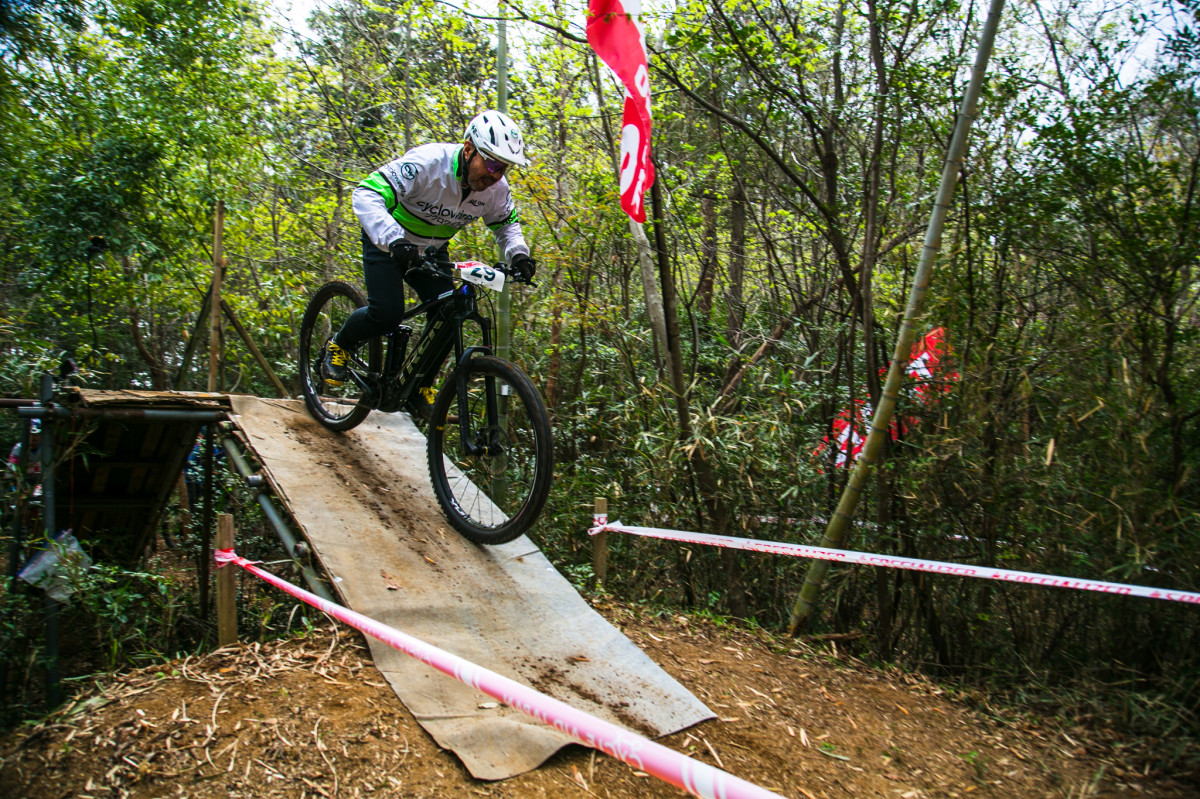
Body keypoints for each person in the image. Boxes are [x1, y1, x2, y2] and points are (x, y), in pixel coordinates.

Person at [322, 109, 539, 419]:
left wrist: (518, 255)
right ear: (468, 150)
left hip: (431, 249)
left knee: (450, 315)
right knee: (386, 314)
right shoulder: (427, 164)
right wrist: (394, 239)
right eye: (491, 163)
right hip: (387, 242)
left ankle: (419, 385)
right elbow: (366, 192)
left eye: (502, 169)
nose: (494, 174)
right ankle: (340, 345)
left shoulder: (496, 190)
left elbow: (506, 226)